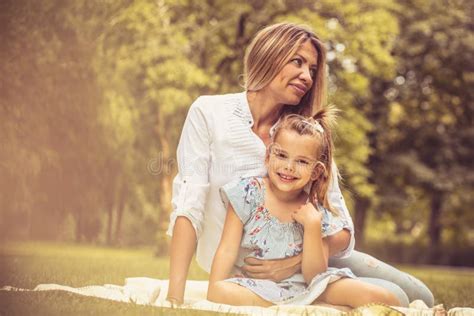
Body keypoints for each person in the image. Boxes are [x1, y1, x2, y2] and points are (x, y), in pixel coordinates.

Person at [166, 22, 433, 307]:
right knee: (396, 299)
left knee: (419, 297)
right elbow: (188, 206)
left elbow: (342, 228)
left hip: (310, 258)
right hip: (245, 272)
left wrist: (293, 263)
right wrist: (173, 297)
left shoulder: (303, 133)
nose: (306, 76)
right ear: (269, 55)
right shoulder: (209, 113)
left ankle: (315, 295)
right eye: (298, 61)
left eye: (313, 69)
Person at [207, 110, 400, 307]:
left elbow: (315, 276)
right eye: (282, 155)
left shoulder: (315, 208)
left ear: (316, 171)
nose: (289, 167)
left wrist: (313, 226)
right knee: (222, 291)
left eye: (301, 161)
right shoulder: (247, 192)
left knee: (385, 298)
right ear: (268, 156)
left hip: (310, 288)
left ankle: (301, 306)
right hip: (259, 287)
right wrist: (214, 288)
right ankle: (308, 308)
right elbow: (227, 250)